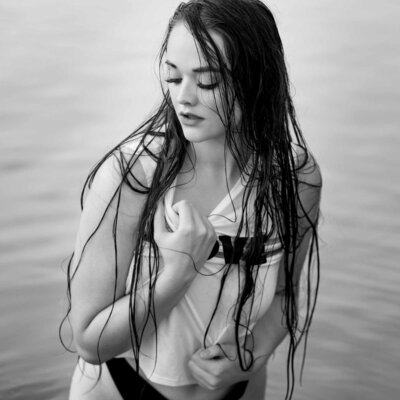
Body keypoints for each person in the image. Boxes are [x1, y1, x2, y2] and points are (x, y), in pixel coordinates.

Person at [61, 0, 322, 399]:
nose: (183, 98)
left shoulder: (294, 178)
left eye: (207, 82)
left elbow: (286, 296)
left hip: (239, 388)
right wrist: (176, 274)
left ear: (256, 80)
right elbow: (89, 342)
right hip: (120, 387)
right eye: (172, 77)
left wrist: (251, 353)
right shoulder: (132, 179)